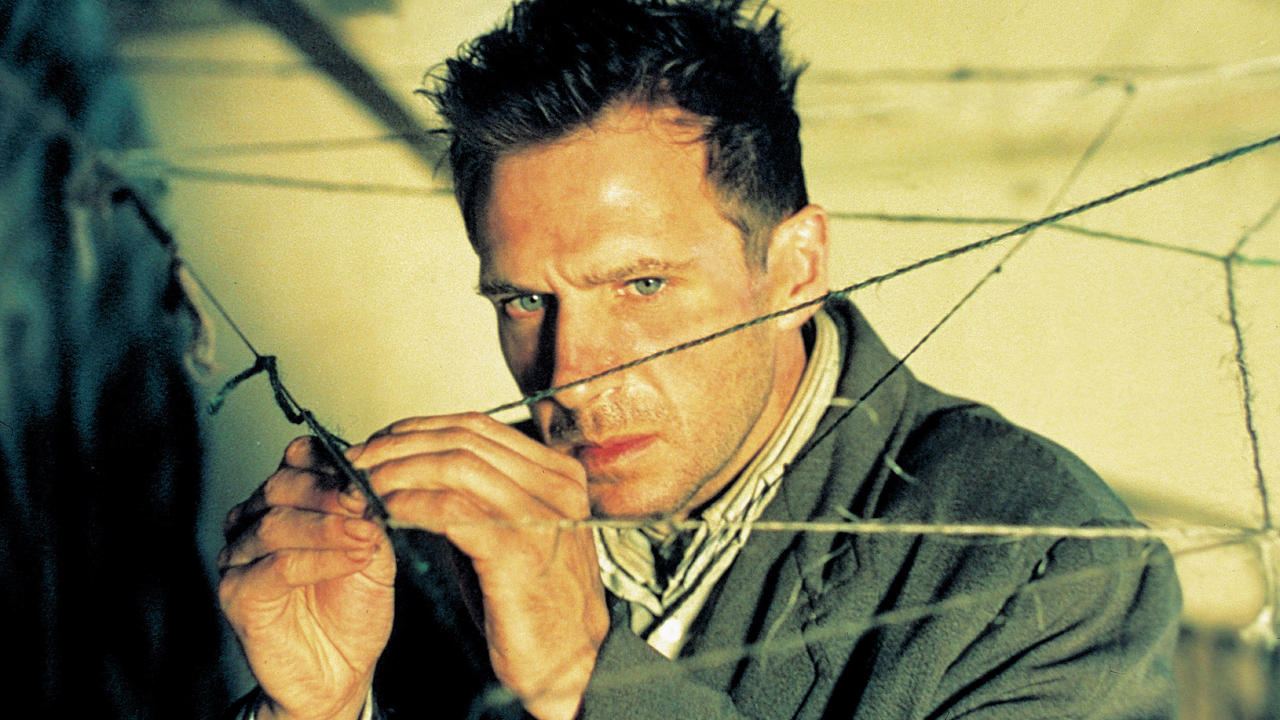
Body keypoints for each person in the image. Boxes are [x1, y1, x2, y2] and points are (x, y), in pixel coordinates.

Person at [217, 1, 1180, 718]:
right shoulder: (437, 547)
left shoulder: (1051, 570)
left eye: (642, 284)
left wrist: (585, 675)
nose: (573, 373)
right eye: (524, 301)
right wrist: (315, 711)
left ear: (796, 269)